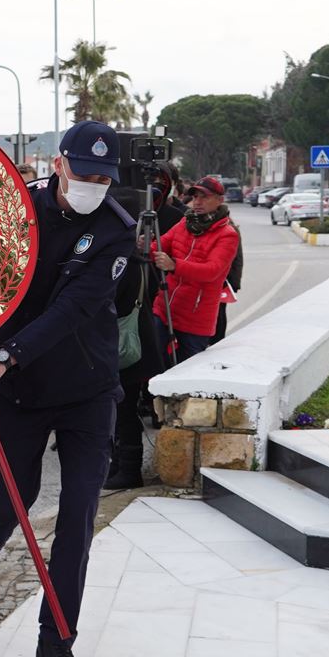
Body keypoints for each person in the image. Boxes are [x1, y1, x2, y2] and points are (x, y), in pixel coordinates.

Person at [0, 121, 138, 657]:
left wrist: (2, 356)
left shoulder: (115, 232)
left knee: (78, 519)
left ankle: (56, 645)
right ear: (59, 164)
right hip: (22, 397)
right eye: (85, 172)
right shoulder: (14, 212)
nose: (95, 184)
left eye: (106, 177)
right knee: (6, 507)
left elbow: (75, 309)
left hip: (87, 391)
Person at [107, 162, 184, 490]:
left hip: (127, 347)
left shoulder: (122, 260)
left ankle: (128, 470)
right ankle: (119, 467)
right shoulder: (136, 256)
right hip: (138, 344)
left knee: (123, 414)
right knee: (120, 413)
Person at [151, 176, 239, 364]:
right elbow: (161, 244)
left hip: (195, 318)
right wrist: (147, 246)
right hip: (165, 308)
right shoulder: (185, 222)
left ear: (220, 200)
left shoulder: (227, 234)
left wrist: (174, 265)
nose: (197, 202)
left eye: (204, 197)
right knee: (156, 365)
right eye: (195, 196)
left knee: (187, 375)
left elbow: (211, 271)